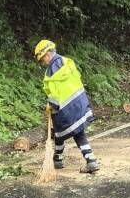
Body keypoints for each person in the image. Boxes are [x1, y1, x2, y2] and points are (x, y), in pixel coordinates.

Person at [35, 39, 100, 174]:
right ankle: (59, 159)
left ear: (47, 54)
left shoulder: (52, 69)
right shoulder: (66, 61)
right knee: (69, 130)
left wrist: (51, 104)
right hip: (79, 102)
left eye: (42, 59)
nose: (43, 62)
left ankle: (89, 160)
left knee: (68, 131)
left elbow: (55, 90)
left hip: (66, 106)